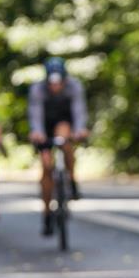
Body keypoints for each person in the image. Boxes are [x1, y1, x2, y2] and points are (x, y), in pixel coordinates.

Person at [27, 57, 89, 236]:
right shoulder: (37, 90)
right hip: (44, 126)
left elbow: (79, 111)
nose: (55, 87)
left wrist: (80, 130)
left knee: (65, 137)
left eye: (59, 82)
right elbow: (35, 114)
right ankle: (47, 212)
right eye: (52, 83)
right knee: (46, 167)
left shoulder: (74, 86)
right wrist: (37, 132)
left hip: (64, 122)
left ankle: (71, 178)